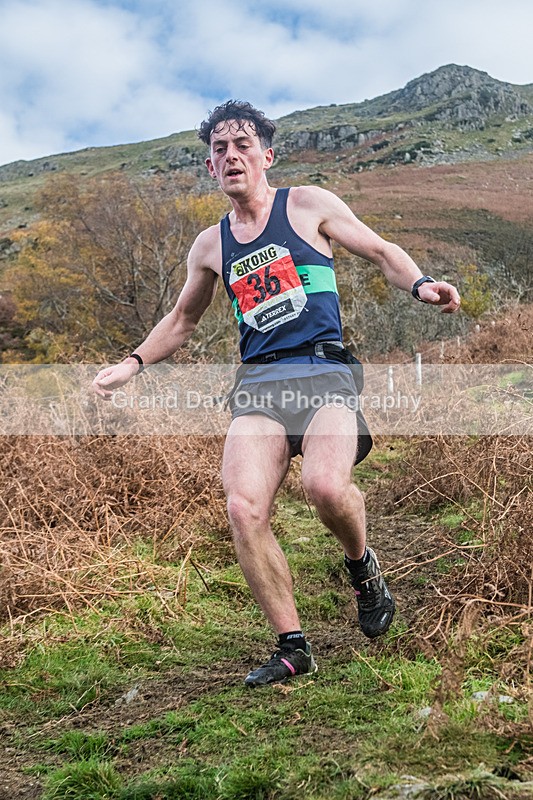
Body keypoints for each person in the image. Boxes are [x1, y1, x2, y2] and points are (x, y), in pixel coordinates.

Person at [92, 101, 460, 687]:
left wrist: (420, 284)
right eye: (219, 149)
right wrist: (131, 364)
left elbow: (382, 252)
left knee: (324, 486)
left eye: (242, 145)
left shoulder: (308, 204)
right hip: (260, 382)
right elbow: (182, 321)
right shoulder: (209, 246)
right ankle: (293, 646)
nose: (230, 155)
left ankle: (362, 567)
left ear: (267, 156)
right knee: (244, 507)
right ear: (211, 168)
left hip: (325, 372)